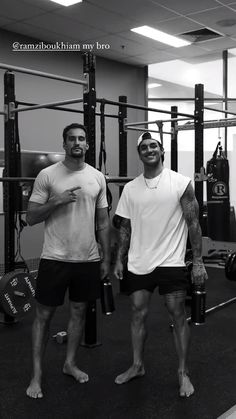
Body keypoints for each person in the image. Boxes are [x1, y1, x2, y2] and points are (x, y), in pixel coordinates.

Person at [113, 131, 208, 398]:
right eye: (144, 147)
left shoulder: (180, 182)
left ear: (161, 150)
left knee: (177, 314)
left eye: (153, 145)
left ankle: (182, 372)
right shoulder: (131, 188)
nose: (149, 149)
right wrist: (120, 258)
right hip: (139, 261)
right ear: (139, 153)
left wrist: (198, 261)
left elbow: (193, 223)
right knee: (137, 314)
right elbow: (124, 226)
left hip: (171, 260)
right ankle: (137, 365)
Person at [26, 123, 110, 399]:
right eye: (72, 138)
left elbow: (102, 222)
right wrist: (57, 201)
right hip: (55, 257)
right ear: (64, 144)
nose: (77, 143)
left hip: (87, 258)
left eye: (82, 139)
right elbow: (32, 217)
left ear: (87, 144)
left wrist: (106, 257)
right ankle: (36, 375)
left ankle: (69, 363)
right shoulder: (47, 175)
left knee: (78, 313)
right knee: (43, 316)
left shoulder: (97, 177)